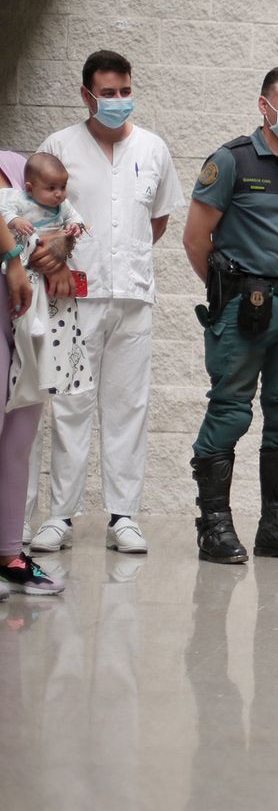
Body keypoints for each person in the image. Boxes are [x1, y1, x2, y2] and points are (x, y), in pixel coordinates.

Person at [25, 50, 182, 556]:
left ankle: (123, 516)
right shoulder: (59, 146)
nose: (118, 101)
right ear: (87, 95)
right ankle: (60, 516)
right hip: (74, 297)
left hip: (132, 296)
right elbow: (39, 215)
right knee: (70, 404)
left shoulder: (153, 148)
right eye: (107, 93)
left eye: (125, 91)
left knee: (128, 405)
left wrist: (123, 258)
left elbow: (156, 220)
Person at [181, 67, 278, 565]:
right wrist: (229, 289)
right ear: (264, 106)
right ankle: (215, 526)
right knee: (230, 410)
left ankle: (277, 524)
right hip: (242, 309)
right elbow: (196, 239)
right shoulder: (231, 162)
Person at [0, 147, 63, 596]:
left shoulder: (21, 164)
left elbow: (55, 225)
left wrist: (61, 250)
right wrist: (12, 261)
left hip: (28, 312)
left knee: (20, 434)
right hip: (7, 289)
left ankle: (8, 554)